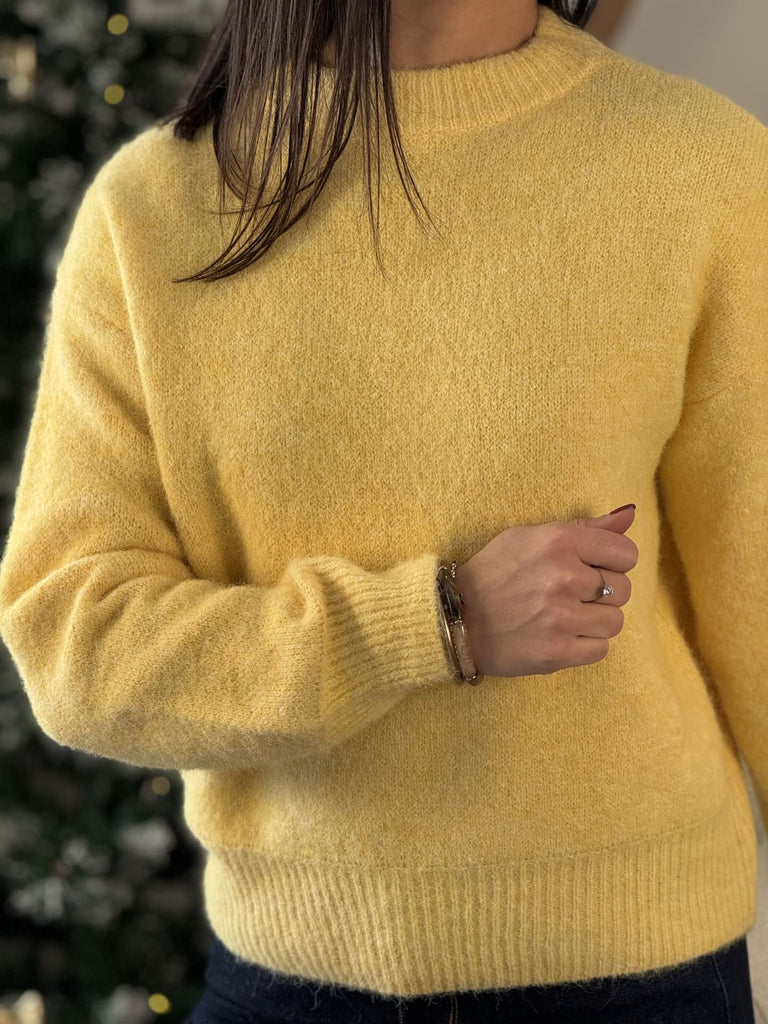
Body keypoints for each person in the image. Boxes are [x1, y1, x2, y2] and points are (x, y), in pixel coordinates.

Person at [0, 0, 764, 1020]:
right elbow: (76, 642)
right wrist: (432, 622)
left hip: (645, 970)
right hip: (289, 978)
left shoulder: (697, 167)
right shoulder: (153, 208)